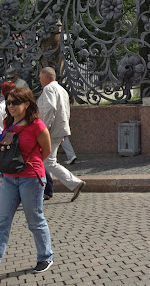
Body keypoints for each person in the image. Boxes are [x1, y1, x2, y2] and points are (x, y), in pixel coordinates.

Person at [0, 87, 54, 272]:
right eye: (8, 102)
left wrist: (28, 164)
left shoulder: (37, 125)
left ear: (27, 103)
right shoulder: (7, 122)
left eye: (15, 102)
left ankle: (45, 257)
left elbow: (46, 151)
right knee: (2, 221)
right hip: (9, 178)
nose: (11, 106)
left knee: (34, 220)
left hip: (31, 178)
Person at [37, 68, 85, 201]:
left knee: (48, 162)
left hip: (50, 131)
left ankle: (75, 183)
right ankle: (47, 190)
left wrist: (43, 129)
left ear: (45, 78)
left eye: (40, 78)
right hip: (58, 129)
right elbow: (65, 111)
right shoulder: (62, 90)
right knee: (48, 161)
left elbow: (50, 109)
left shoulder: (48, 89)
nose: (39, 81)